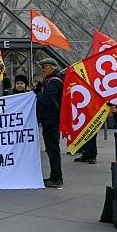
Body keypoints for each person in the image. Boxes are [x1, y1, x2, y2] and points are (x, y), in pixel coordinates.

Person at [36, 58, 64, 187]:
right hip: (49, 119)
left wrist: (37, 93)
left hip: (52, 120)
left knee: (53, 149)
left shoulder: (54, 81)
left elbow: (47, 100)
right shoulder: (50, 80)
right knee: (51, 149)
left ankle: (56, 178)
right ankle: (54, 176)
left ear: (51, 67)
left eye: (44, 67)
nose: (42, 70)